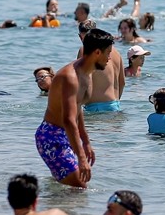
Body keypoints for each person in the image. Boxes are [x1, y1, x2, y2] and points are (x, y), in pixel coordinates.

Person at [35, 28, 114, 187]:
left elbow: (78, 108)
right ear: (97, 52)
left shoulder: (87, 72)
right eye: (108, 53)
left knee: (69, 190)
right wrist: (81, 158)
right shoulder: (71, 77)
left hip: (65, 135)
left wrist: (85, 141)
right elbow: (69, 119)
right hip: (51, 137)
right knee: (80, 188)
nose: (109, 58)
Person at [81, 27, 125, 112]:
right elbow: (122, 82)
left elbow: (85, 82)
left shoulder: (87, 52)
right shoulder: (116, 53)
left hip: (96, 107)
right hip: (115, 105)